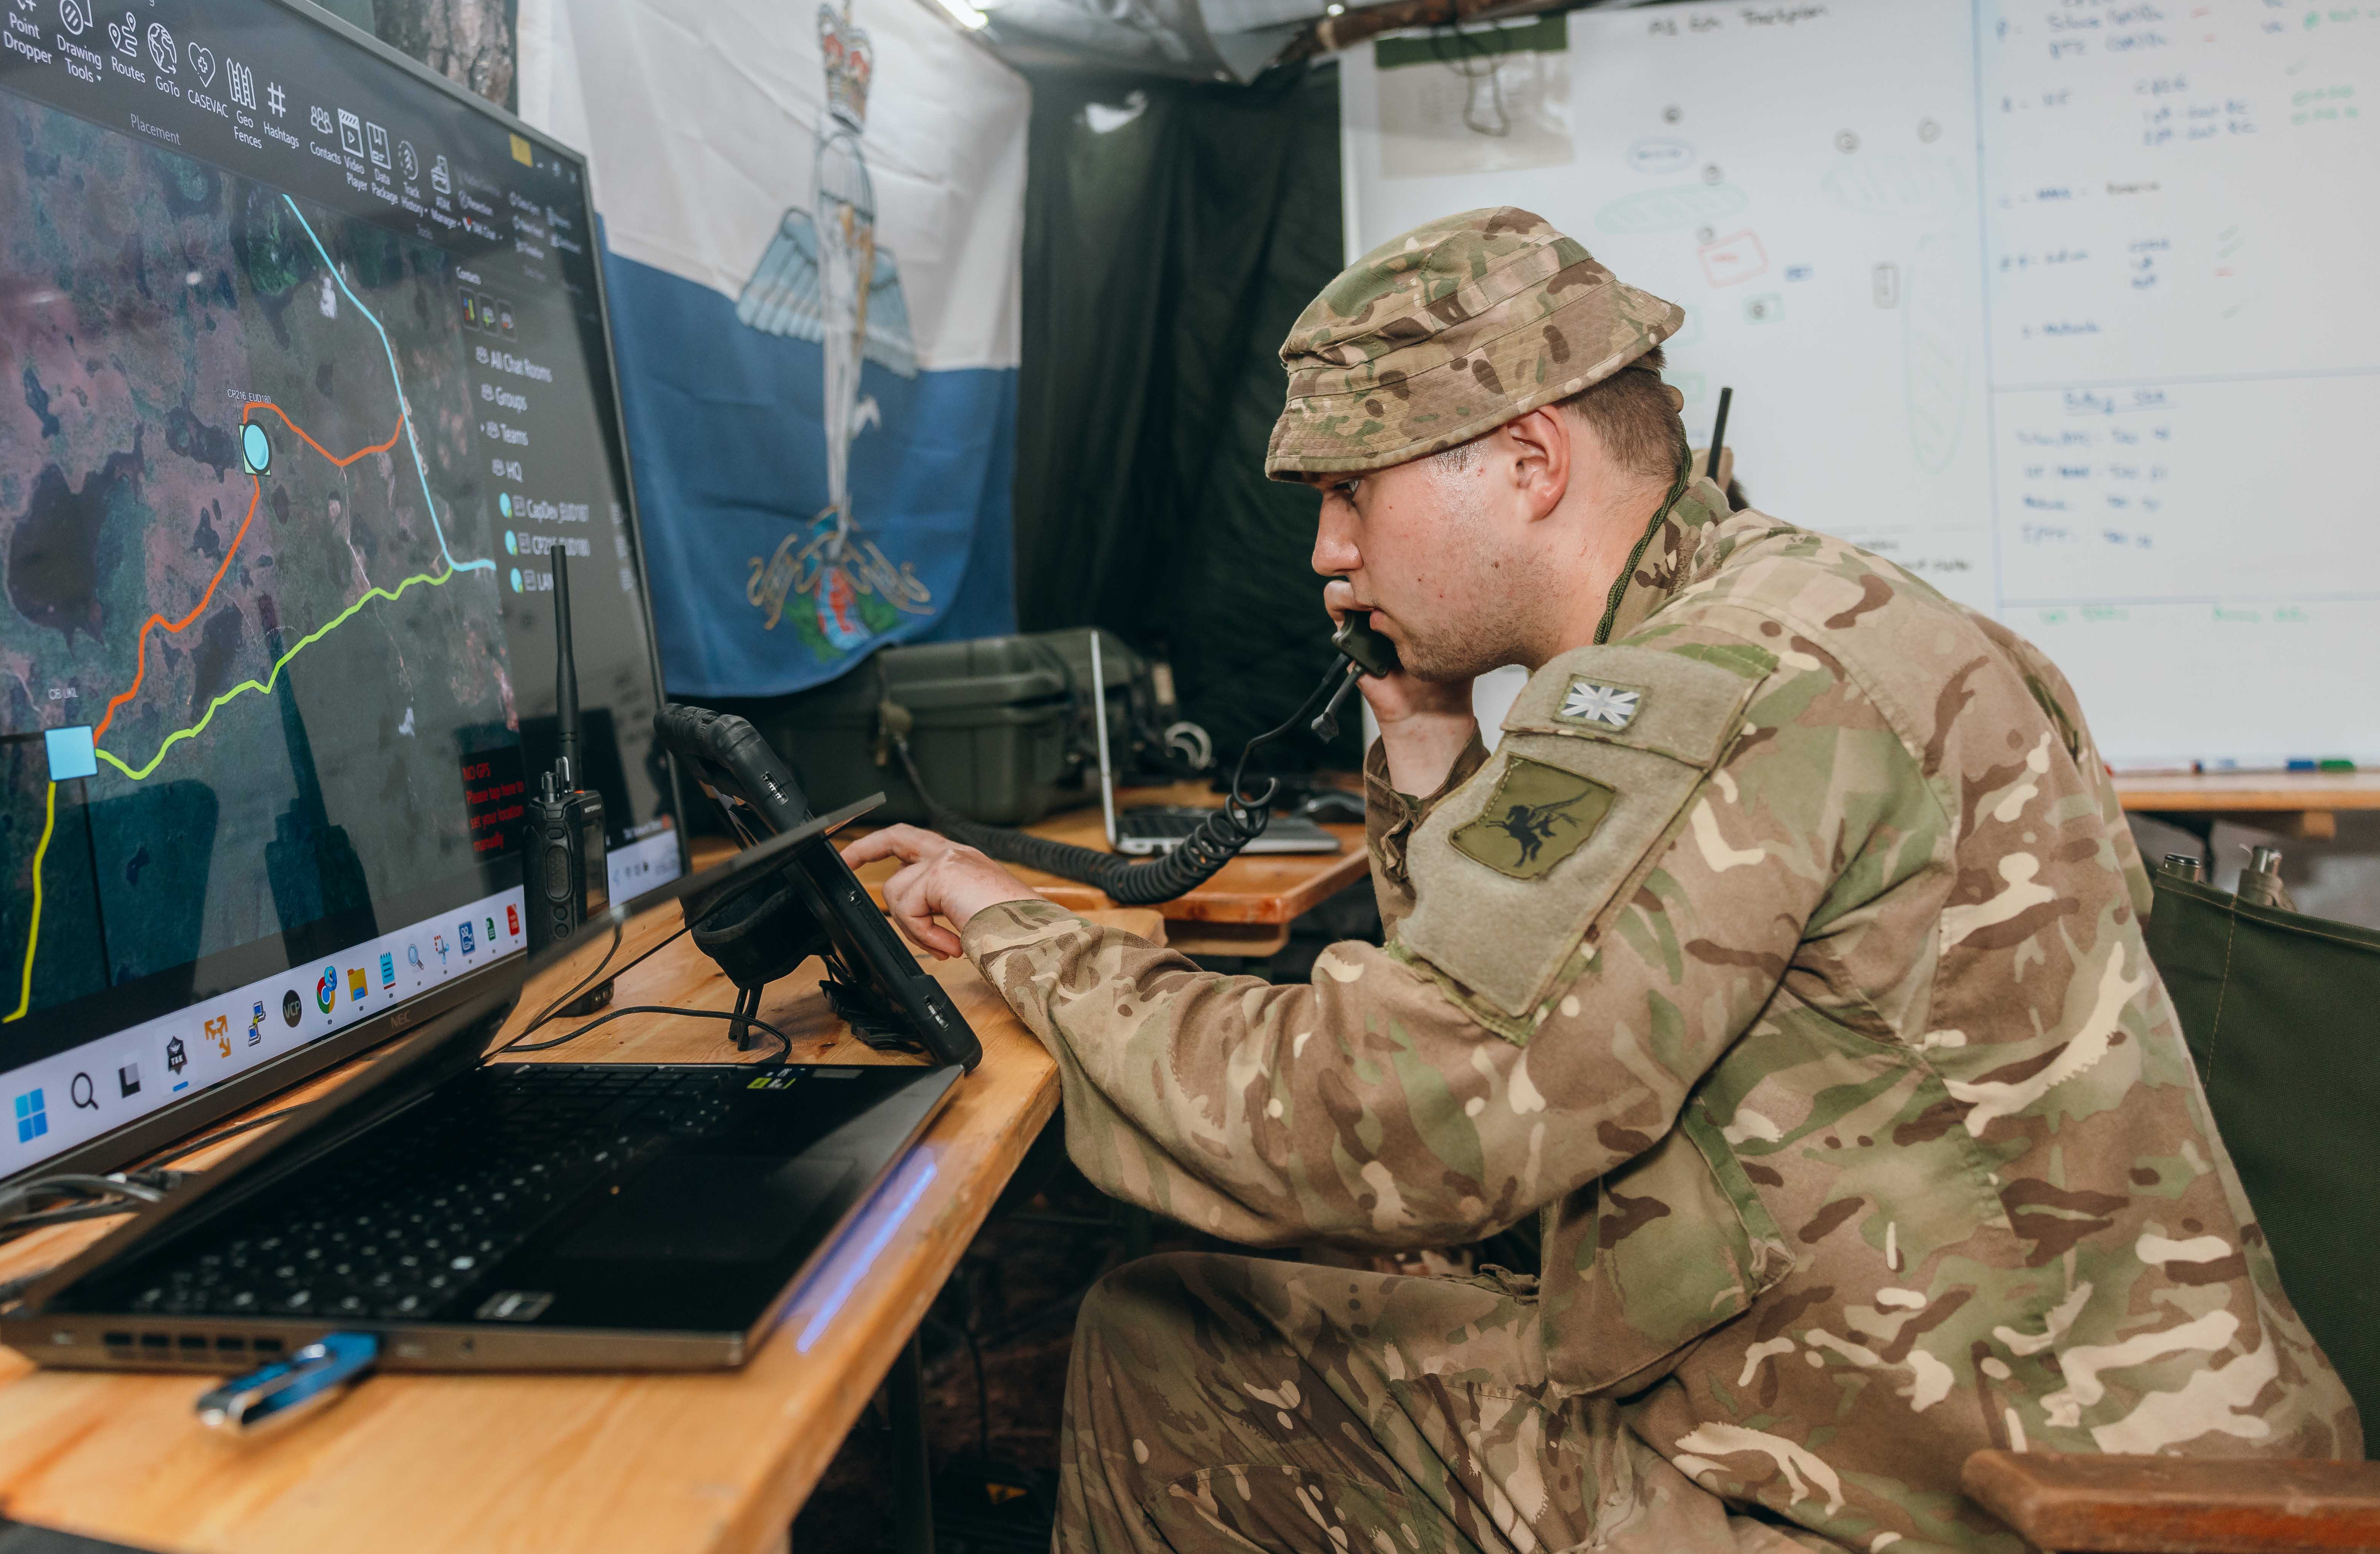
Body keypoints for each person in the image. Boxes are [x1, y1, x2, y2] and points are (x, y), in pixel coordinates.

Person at [844, 208, 2355, 1554]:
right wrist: (1429, 752)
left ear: (1527, 463)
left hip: (1949, 1505)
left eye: (1349, 495)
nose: (1322, 551)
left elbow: (1397, 1124)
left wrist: (1016, 930)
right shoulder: (1796, 608)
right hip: (1999, 1417)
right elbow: (1525, 1009)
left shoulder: (1700, 689)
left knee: (1160, 1350)